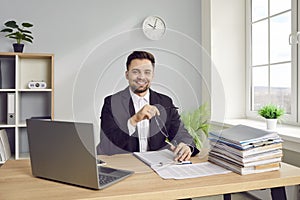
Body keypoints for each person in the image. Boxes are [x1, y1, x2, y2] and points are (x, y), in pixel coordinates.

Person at [97, 51, 199, 161]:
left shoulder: (165, 102)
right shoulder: (111, 102)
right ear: (127, 75)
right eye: (136, 72)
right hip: (124, 164)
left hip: (156, 166)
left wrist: (187, 146)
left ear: (152, 75)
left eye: (147, 72)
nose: (141, 77)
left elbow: (181, 134)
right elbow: (107, 146)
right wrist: (134, 120)